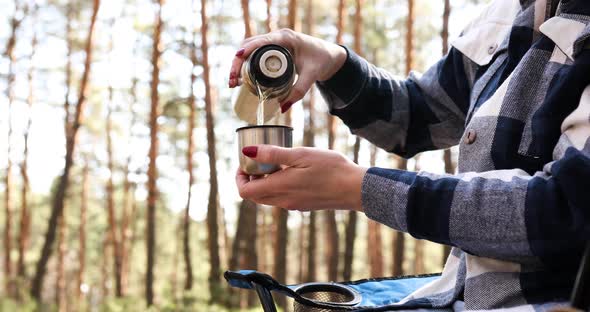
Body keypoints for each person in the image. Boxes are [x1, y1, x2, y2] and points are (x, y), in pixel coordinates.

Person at [230, 0, 590, 310]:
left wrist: (360, 189)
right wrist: (332, 62)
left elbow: (566, 210)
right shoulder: (510, 12)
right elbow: (416, 116)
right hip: (453, 295)